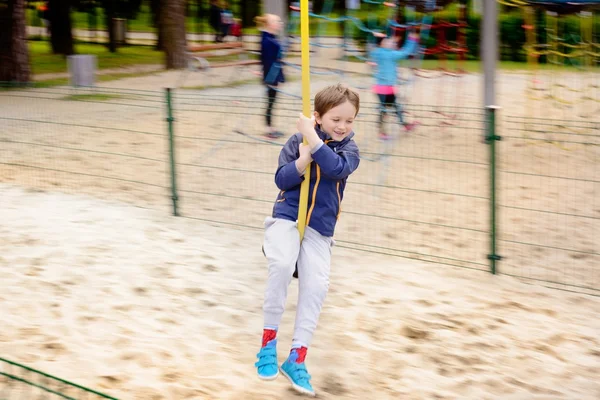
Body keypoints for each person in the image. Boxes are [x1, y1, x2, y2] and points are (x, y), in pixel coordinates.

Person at [255, 84, 361, 397]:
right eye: (335, 120)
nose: (343, 127)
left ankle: (297, 358)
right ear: (317, 116)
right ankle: (268, 344)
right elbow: (281, 179)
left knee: (316, 286)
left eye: (349, 121)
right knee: (283, 264)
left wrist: (314, 141)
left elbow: (335, 169)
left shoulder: (349, 150)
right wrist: (302, 160)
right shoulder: (296, 142)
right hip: (287, 218)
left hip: (320, 228)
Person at [370, 30, 420, 139]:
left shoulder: (377, 52)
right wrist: (412, 39)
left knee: (391, 108)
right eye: (388, 42)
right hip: (385, 88)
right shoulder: (390, 54)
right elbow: (405, 52)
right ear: (382, 43)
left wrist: (379, 38)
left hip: (382, 88)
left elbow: (376, 49)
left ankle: (402, 126)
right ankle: (383, 132)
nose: (391, 43)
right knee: (386, 110)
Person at [256, 13, 286, 139]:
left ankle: (271, 128)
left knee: (272, 102)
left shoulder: (271, 38)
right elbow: (268, 61)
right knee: (270, 102)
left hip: (273, 75)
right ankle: (269, 129)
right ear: (270, 25)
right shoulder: (267, 40)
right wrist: (270, 78)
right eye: (277, 22)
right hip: (270, 76)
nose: (280, 24)